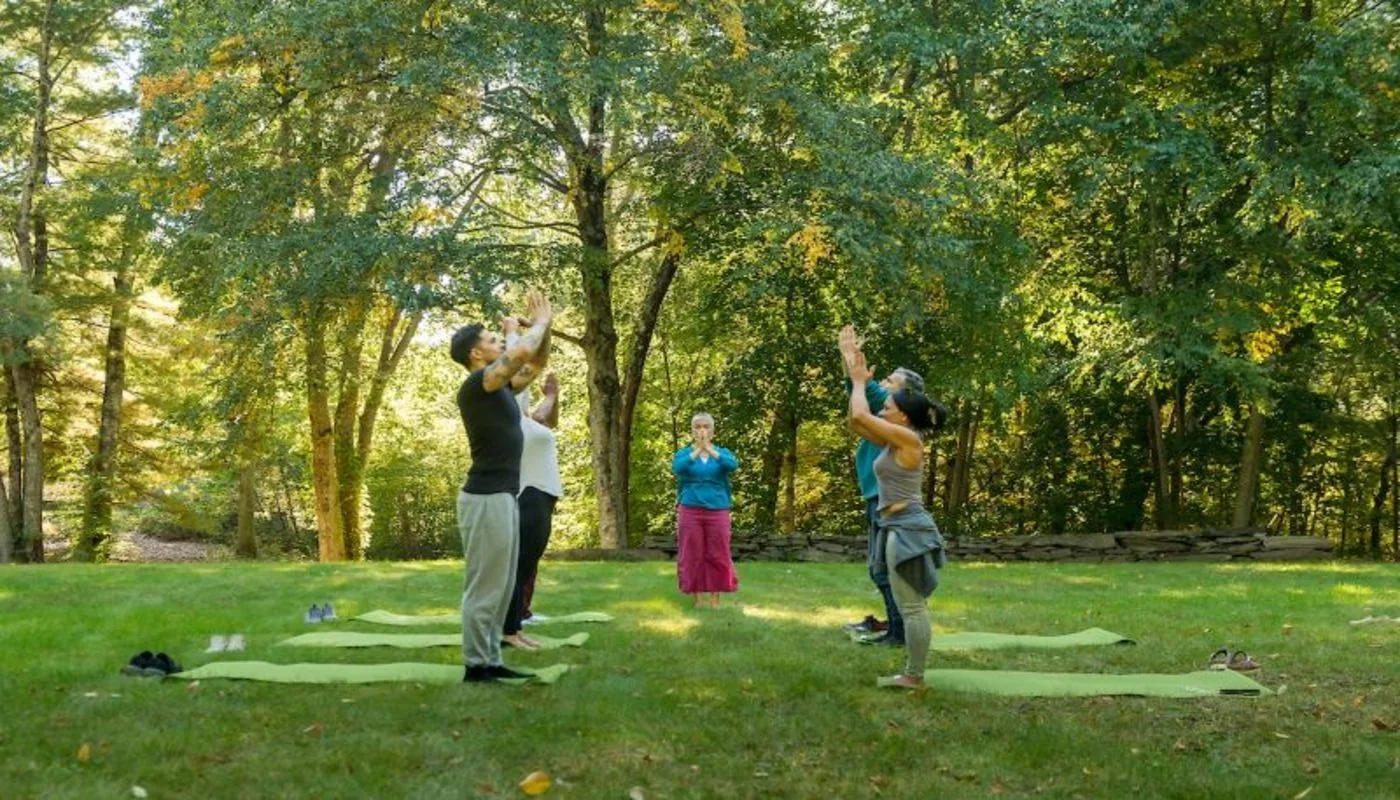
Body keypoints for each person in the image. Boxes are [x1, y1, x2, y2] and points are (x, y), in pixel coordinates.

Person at [449, 290, 552, 683]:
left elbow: (535, 361)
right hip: (485, 497)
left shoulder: (502, 388)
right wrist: (536, 324)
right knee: (485, 585)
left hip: (503, 495)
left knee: (503, 584)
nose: (499, 342)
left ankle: (490, 659)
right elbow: (521, 353)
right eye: (492, 340)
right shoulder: (478, 383)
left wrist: (545, 328)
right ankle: (476, 666)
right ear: (477, 354)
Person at [839, 325, 948, 688]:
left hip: (908, 528)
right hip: (895, 526)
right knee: (908, 603)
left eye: (887, 407)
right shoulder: (895, 439)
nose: (882, 409)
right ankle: (912, 673)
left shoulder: (906, 438)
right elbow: (856, 421)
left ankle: (914, 676)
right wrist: (854, 377)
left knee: (913, 606)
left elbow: (863, 414)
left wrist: (859, 382)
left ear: (903, 416)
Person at [840, 341, 927, 648]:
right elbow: (855, 416)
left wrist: (855, 372)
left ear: (905, 398)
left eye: (890, 381)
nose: (883, 383)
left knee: (888, 571)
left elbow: (861, 400)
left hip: (892, 506)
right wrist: (850, 365)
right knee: (880, 570)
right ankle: (895, 630)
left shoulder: (902, 428)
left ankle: (899, 633)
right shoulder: (888, 418)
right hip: (880, 501)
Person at [501, 324, 563, 650]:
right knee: (517, 568)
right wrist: (517, 332)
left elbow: (546, 415)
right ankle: (506, 632)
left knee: (523, 569)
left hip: (541, 496)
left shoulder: (526, 420)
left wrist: (544, 329)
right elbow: (519, 365)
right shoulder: (510, 414)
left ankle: (512, 628)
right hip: (529, 495)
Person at [671, 413, 739, 608]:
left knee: (718, 553)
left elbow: (732, 465)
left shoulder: (722, 453)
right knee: (692, 553)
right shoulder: (684, 454)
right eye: (698, 427)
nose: (702, 430)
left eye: (706, 426)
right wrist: (698, 450)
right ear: (692, 431)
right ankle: (697, 600)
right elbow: (678, 468)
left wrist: (709, 449)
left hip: (718, 509)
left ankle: (715, 601)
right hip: (690, 510)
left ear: (713, 431)